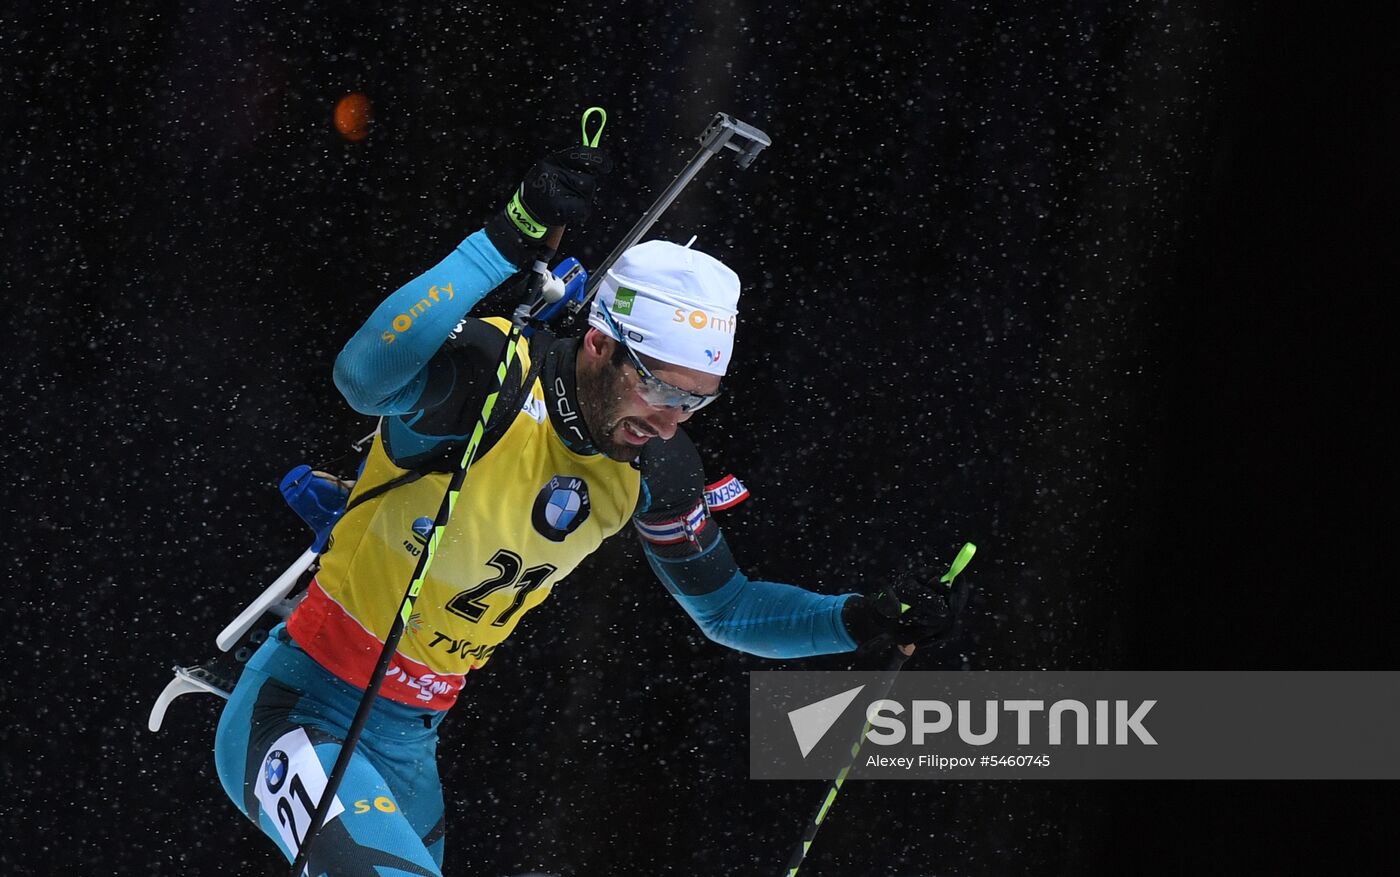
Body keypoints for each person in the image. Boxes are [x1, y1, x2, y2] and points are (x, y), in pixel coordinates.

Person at [213, 143, 967, 875]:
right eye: (659, 389)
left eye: (694, 403)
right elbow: (362, 378)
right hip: (305, 709)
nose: (669, 422)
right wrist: (500, 242)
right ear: (602, 344)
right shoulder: (493, 378)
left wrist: (863, 618)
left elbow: (728, 610)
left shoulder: (653, 466)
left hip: (410, 745)